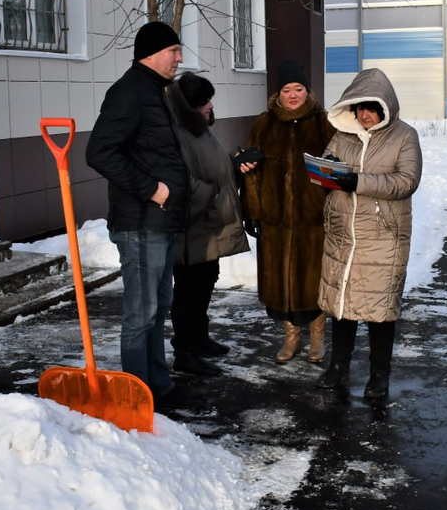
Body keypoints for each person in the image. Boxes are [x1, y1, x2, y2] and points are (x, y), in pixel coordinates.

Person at [85, 21, 190, 403]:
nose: (179, 58)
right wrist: (152, 190)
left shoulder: (154, 91)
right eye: (173, 51)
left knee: (158, 307)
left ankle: (157, 387)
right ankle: (136, 395)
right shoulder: (129, 92)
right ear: (151, 52)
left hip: (159, 221)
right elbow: (99, 152)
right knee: (141, 313)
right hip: (141, 221)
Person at [315, 68, 422, 401]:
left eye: (372, 107)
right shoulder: (343, 134)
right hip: (343, 237)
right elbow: (330, 168)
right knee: (342, 306)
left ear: (386, 107)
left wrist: (359, 182)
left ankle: (379, 375)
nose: (365, 114)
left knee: (379, 311)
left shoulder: (404, 136)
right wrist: (325, 170)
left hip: (382, 238)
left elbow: (407, 181)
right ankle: (338, 366)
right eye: (360, 106)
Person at [242, 59, 335, 364]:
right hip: (276, 221)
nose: (293, 95)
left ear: (308, 92)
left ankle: (318, 338)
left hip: (314, 222)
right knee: (281, 283)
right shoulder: (264, 124)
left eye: (299, 89)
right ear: (278, 94)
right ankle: (291, 337)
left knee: (315, 281)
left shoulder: (324, 123)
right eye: (286, 90)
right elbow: (251, 173)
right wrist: (254, 212)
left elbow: (337, 173)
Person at [166, 73, 250, 377]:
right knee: (188, 290)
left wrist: (234, 162)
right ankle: (185, 352)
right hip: (192, 227)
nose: (210, 105)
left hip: (208, 223)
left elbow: (212, 166)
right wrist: (213, 195)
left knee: (204, 283)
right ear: (189, 106)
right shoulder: (177, 132)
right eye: (203, 101)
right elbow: (180, 179)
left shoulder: (200, 128)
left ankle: (199, 340)